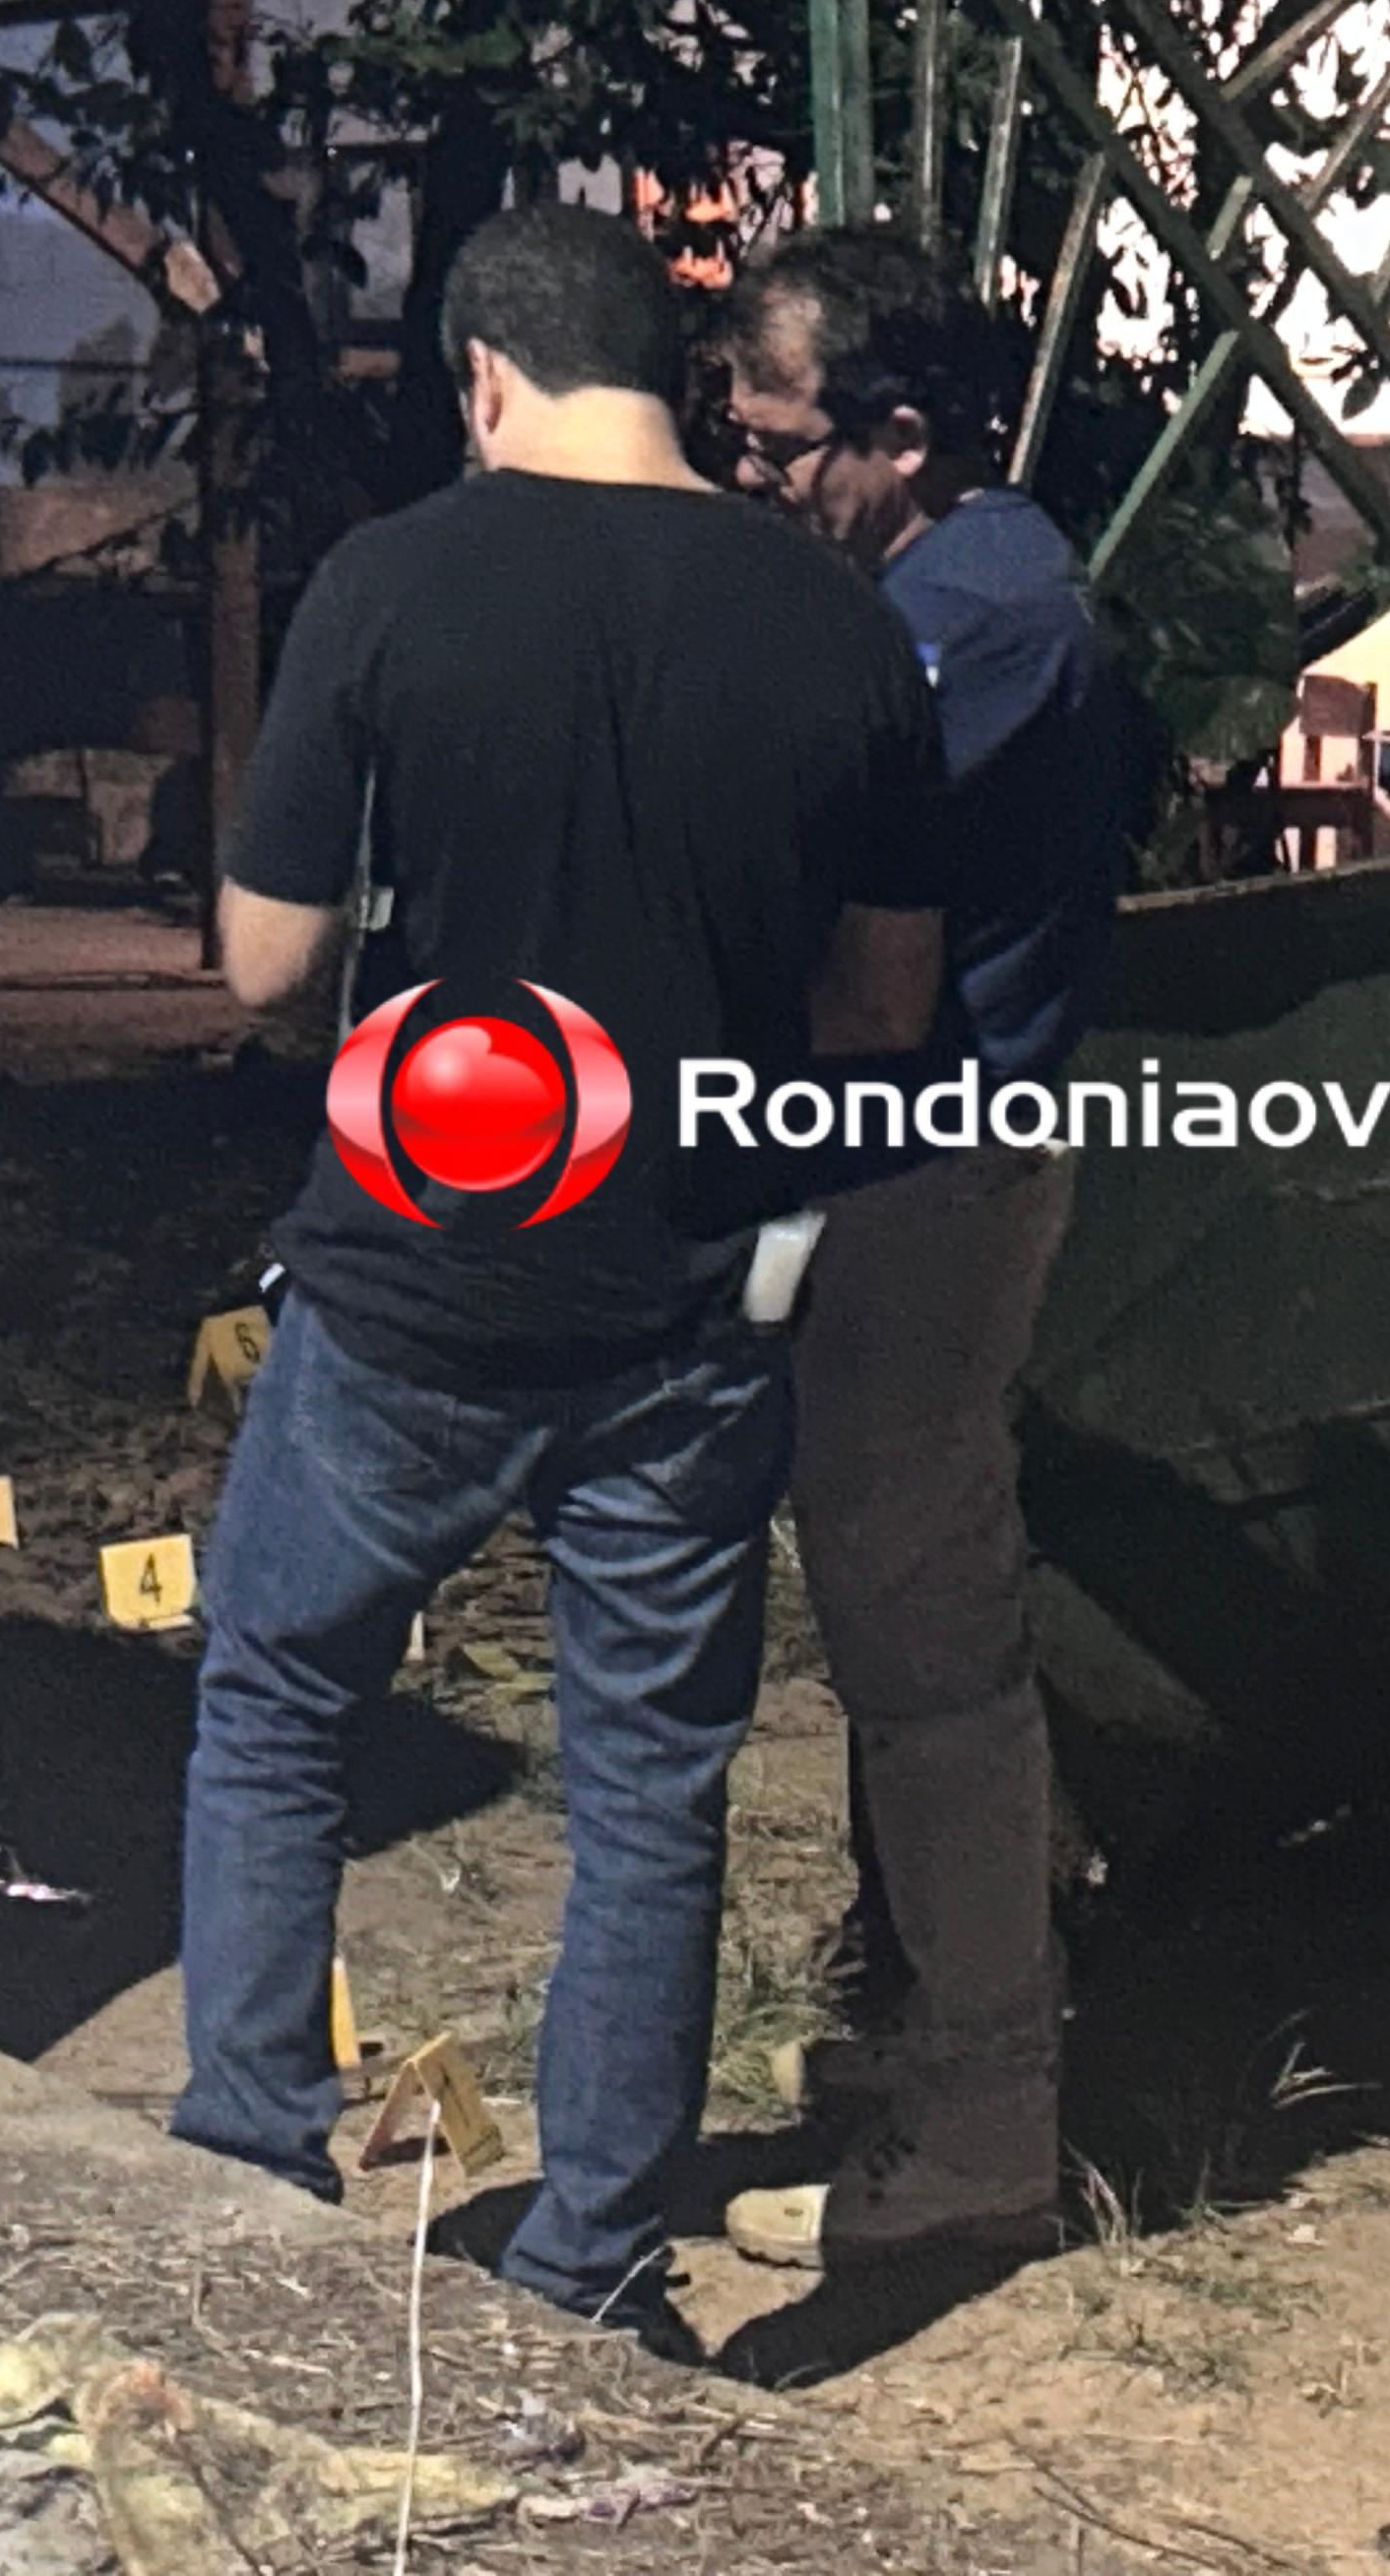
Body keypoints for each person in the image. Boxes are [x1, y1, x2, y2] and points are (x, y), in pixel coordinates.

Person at [180, 202, 950, 2352]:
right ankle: (594, 2263)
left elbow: (262, 965)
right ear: (678, 378)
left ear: (486, 379)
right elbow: (888, 1006)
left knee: (275, 1700)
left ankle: (246, 2164)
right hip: (691, 1298)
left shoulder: (390, 584)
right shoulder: (838, 621)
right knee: (650, 1794)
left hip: (413, 1284)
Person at [708, 224, 1135, 2269]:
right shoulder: (928, 588)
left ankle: (983, 2121)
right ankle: (942, 2044)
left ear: (899, 433)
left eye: (783, 444)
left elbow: (831, 892)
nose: (757, 477)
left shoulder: (989, 619)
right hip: (884, 1160)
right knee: (899, 1625)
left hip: (933, 1173)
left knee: (930, 1640)